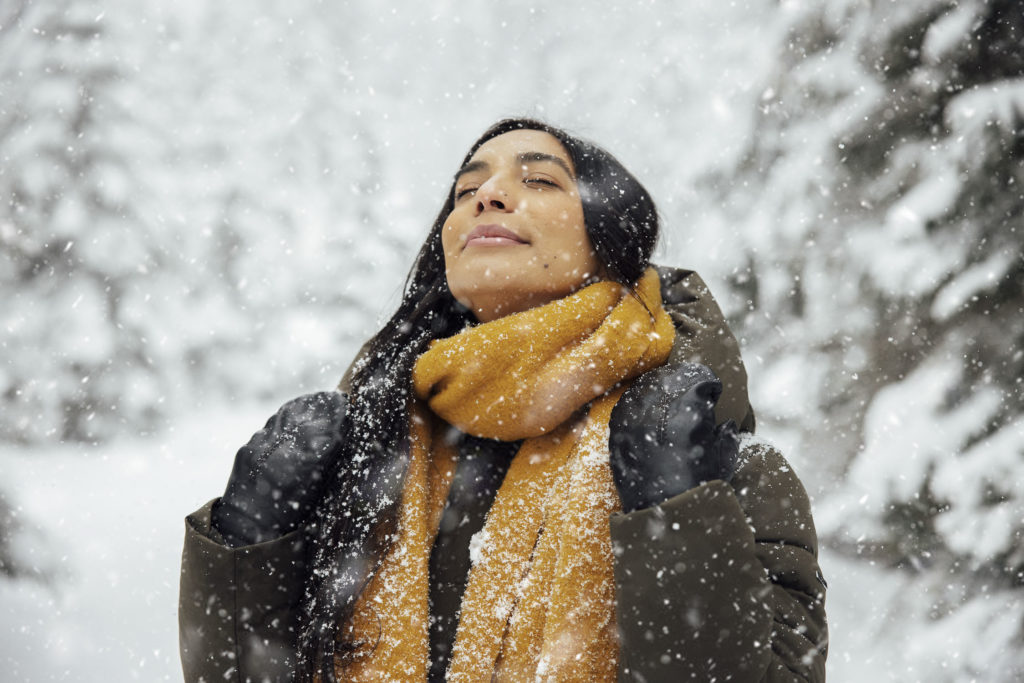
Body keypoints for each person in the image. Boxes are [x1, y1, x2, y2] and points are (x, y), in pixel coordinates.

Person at [178, 119, 828, 682]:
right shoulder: (368, 452)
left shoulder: (716, 457)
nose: (487, 195)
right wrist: (246, 545)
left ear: (613, 239)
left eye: (540, 180)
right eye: (466, 191)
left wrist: (677, 517)